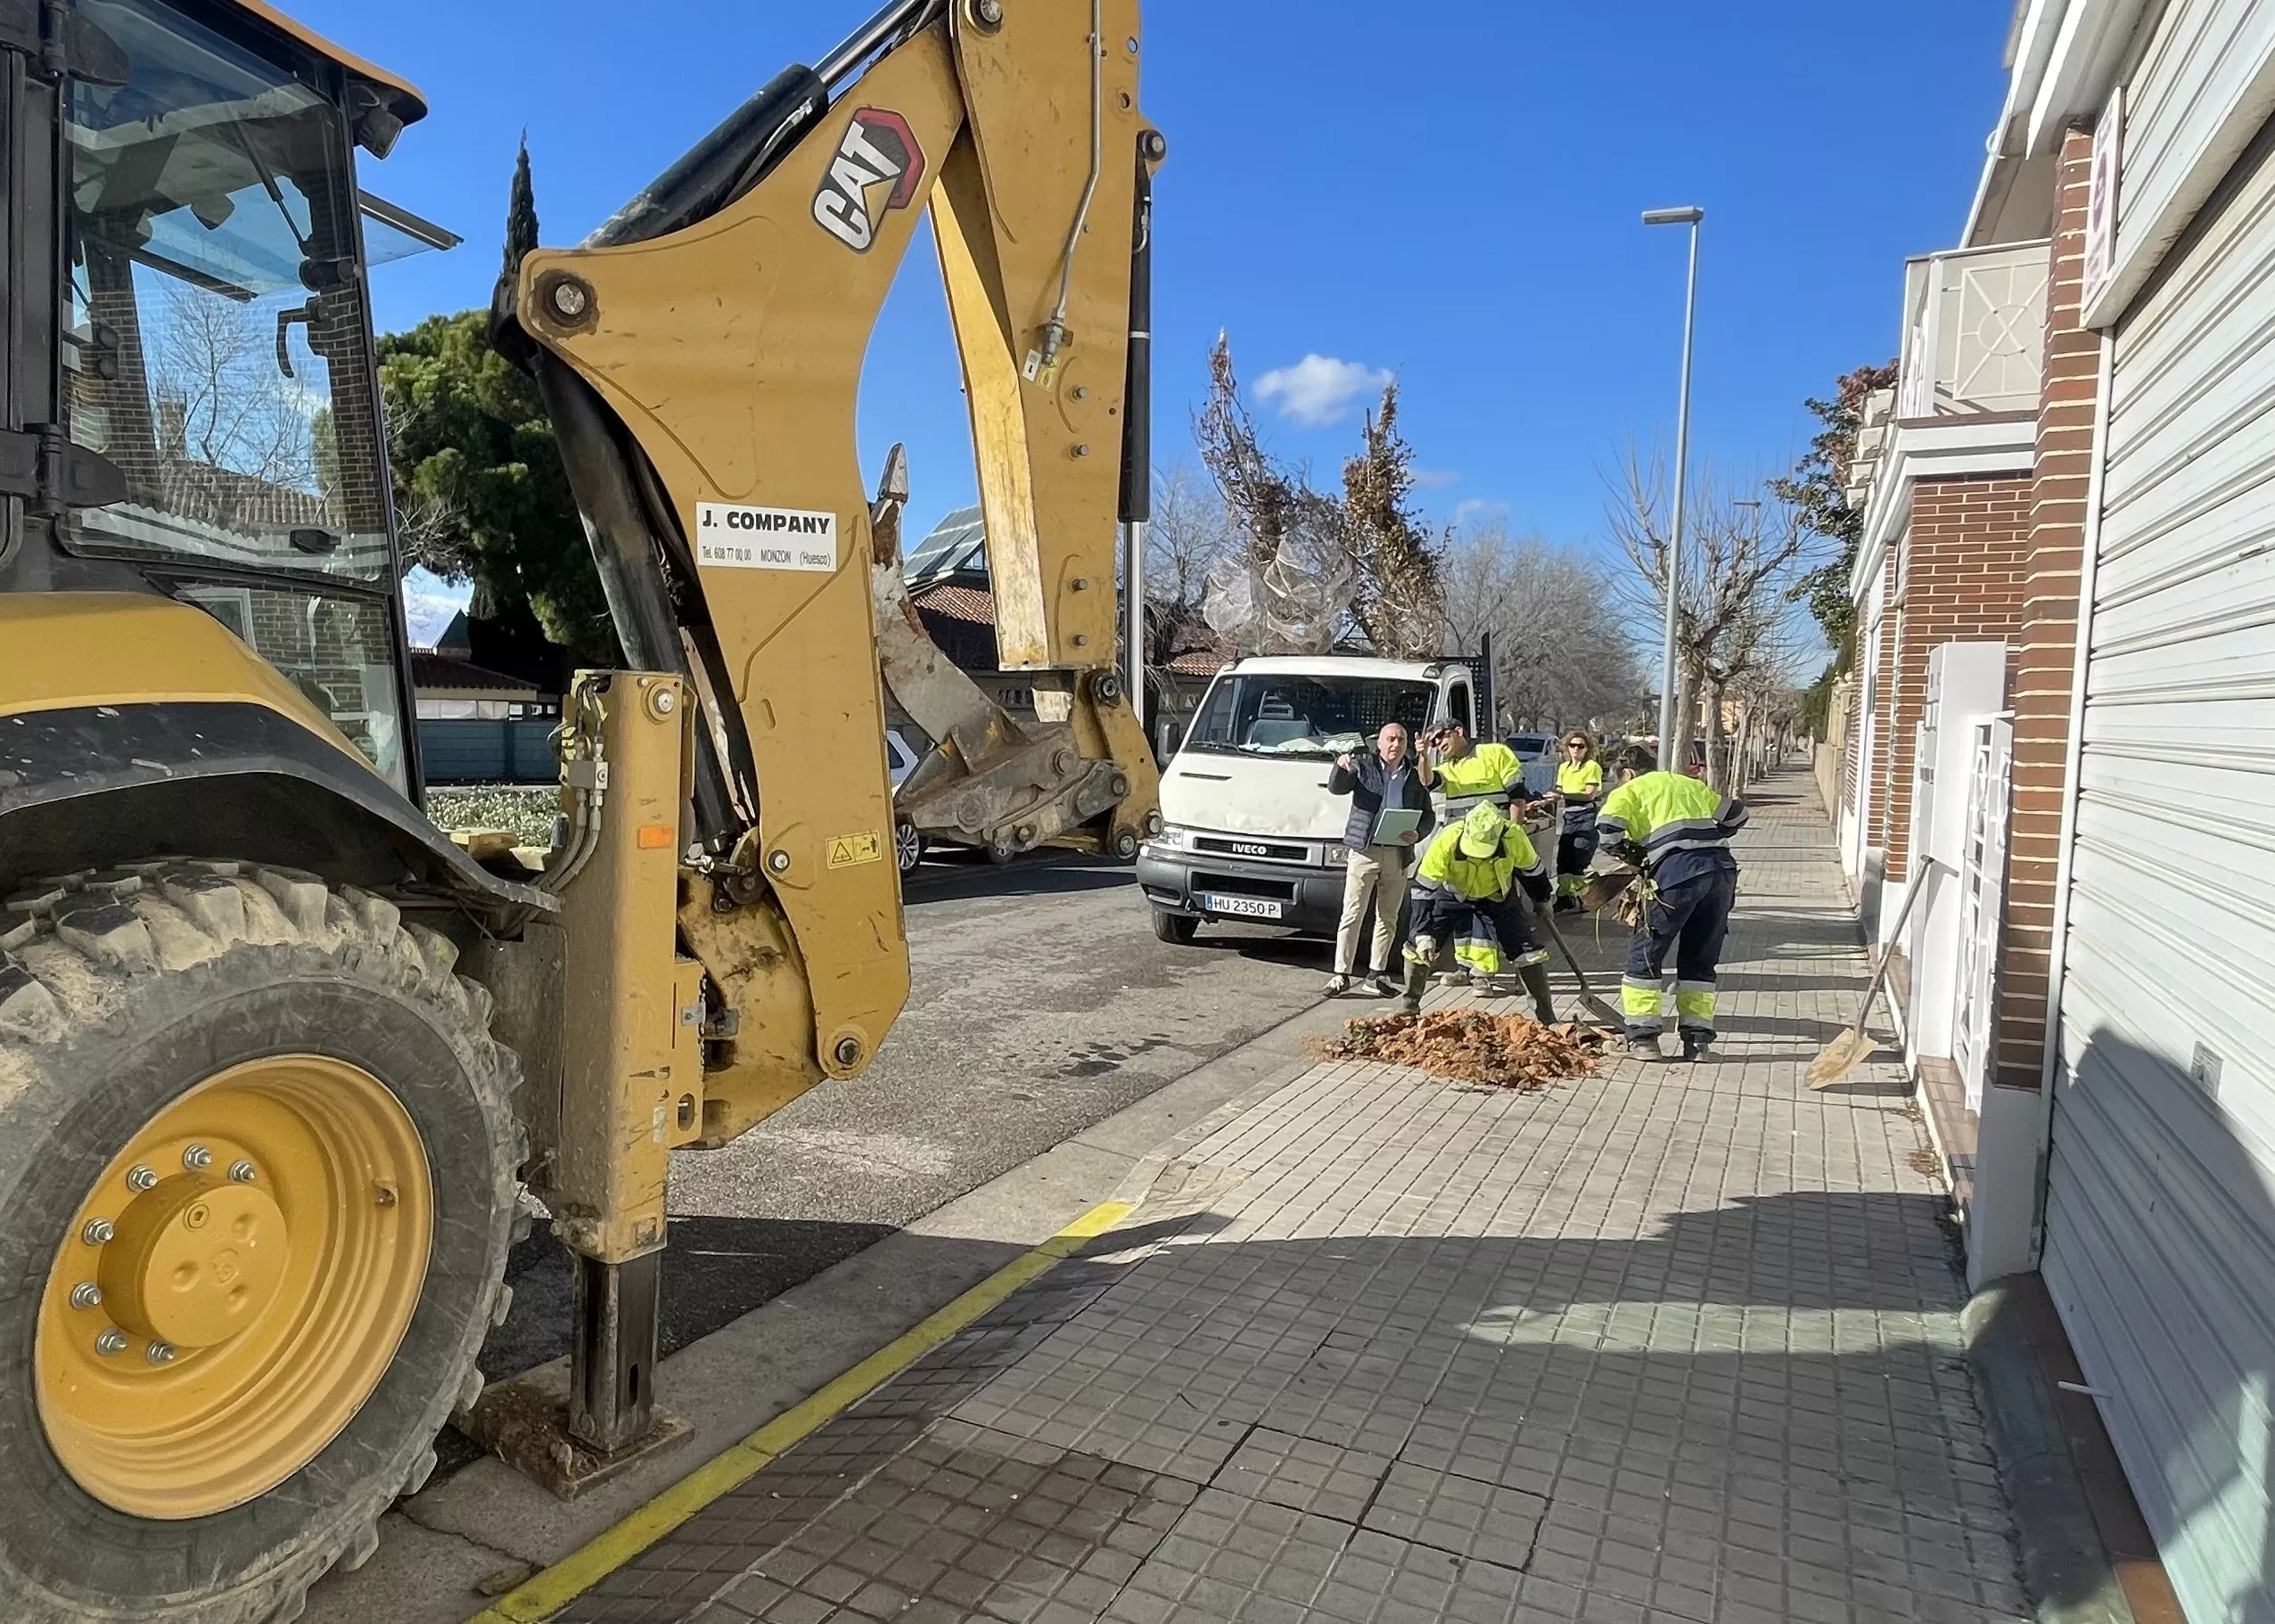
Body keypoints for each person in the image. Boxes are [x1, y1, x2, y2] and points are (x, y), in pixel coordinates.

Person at [1592, 743, 1747, 1062]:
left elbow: (1607, 833)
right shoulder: (1688, 784)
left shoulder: (1630, 791)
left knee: (1646, 956)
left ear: (1627, 773)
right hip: (1721, 872)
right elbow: (1739, 815)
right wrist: (1708, 839)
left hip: (1676, 875)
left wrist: (1636, 855)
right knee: (1700, 960)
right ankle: (1698, 1043)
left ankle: (1643, 1039)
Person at [1398, 803, 1556, 1021]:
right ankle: (1409, 1009)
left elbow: (1533, 871)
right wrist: (1423, 934)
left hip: (1497, 897)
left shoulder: (1513, 836)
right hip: (1453, 894)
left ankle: (1546, 1019)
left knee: (1528, 952)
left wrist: (1543, 898)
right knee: (1417, 946)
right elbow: (1423, 889)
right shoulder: (1448, 839)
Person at [1324, 722, 1435, 997]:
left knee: (1388, 917)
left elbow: (1428, 814)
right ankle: (1341, 974)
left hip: (1397, 852)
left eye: (1400, 740)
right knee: (1352, 913)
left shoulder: (1413, 775)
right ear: (1380, 743)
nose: (1395, 745)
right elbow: (1337, 788)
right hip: (1365, 850)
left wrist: (1418, 833)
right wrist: (1340, 765)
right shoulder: (1364, 766)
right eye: (1390, 740)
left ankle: (1377, 974)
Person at [1423, 721, 1527, 816]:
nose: (1438, 743)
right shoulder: (1443, 770)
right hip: (1460, 835)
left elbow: (1517, 799)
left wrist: (1512, 832)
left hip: (1496, 834)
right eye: (1433, 743)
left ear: (1459, 731)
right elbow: (1426, 781)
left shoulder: (1495, 752)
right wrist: (1423, 756)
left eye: (1440, 735)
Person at [1550, 730, 1604, 913]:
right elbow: (1557, 792)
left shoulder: (1592, 767)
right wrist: (1544, 800)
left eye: (1581, 746)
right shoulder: (1564, 767)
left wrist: (1563, 794)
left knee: (1579, 859)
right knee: (1563, 860)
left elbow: (1589, 794)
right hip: (1569, 817)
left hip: (1586, 817)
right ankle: (1565, 898)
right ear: (1567, 747)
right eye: (1572, 745)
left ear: (1587, 749)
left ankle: (1585, 898)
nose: (1576, 749)